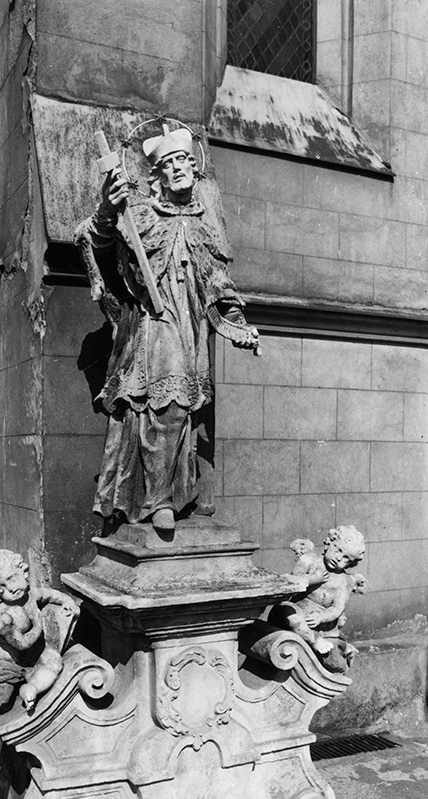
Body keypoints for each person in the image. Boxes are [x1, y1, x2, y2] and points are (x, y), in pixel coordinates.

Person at [76, 124, 259, 531]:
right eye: (168, 164)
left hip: (191, 326)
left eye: (182, 161)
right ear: (157, 175)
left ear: (195, 168)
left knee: (188, 409)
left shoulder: (205, 224)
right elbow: (98, 241)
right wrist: (107, 208)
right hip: (152, 324)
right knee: (168, 406)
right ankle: (159, 501)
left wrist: (238, 326)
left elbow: (219, 283)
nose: (177, 168)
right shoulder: (139, 214)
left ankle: (177, 494)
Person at [0, 550, 78, 744]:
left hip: (29, 659)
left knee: (53, 662)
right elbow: (23, 644)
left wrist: (67, 601)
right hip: (5, 666)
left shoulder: (31, 594)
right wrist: (38, 622)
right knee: (1, 699)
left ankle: (31, 688)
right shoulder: (1, 616)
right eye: (1, 588)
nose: (10, 588)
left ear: (23, 572)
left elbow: (50, 595)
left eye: (11, 578)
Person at [271, 526, 368, 673]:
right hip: (294, 611)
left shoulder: (344, 581)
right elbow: (293, 580)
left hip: (320, 625)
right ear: (329, 543)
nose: (339, 559)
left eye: (347, 559)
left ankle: (344, 649)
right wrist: (314, 579)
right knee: (292, 617)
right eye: (338, 550)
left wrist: (321, 617)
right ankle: (314, 641)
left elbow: (337, 608)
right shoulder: (309, 560)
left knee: (335, 665)